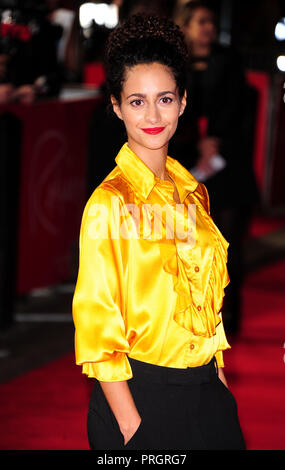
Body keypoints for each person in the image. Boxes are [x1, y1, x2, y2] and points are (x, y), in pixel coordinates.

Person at [72, 13, 246, 450]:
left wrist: (221, 388)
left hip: (209, 393)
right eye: (136, 101)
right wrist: (135, 430)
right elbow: (97, 330)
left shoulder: (193, 195)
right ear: (116, 106)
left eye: (164, 99)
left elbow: (206, 310)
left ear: (183, 102)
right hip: (140, 402)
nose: (152, 114)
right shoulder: (109, 204)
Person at [170, 0, 260, 335]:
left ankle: (228, 319)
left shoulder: (229, 60)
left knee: (229, 244)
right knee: (188, 245)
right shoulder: (174, 64)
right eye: (201, 21)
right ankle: (189, 318)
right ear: (187, 25)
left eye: (210, 21)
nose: (208, 27)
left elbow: (238, 107)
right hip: (186, 161)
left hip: (228, 162)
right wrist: (196, 144)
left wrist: (216, 141)